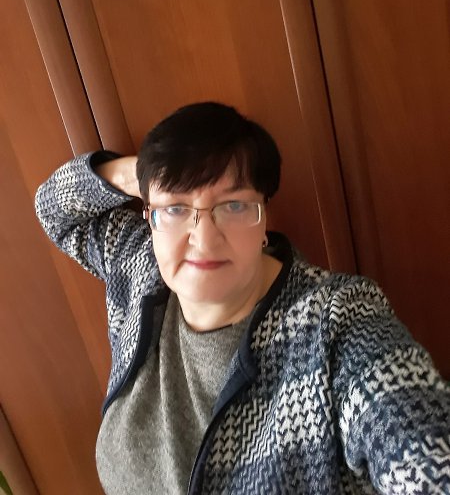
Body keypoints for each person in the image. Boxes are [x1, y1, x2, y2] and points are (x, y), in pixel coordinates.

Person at [35, 101, 450, 495]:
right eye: (176, 208)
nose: (204, 239)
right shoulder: (138, 267)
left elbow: (420, 451)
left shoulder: (336, 321)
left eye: (233, 205)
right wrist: (147, 174)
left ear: (264, 216)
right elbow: (54, 208)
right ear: (150, 216)